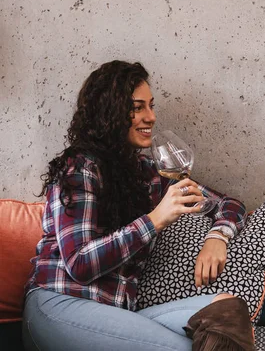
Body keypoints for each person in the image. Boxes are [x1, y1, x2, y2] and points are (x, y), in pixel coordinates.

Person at [22, 60, 252, 351]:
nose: (151, 117)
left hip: (117, 313)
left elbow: (230, 205)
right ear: (110, 112)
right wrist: (155, 220)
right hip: (60, 304)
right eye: (138, 107)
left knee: (226, 310)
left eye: (151, 106)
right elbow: (79, 263)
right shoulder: (79, 167)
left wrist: (218, 236)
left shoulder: (149, 174)